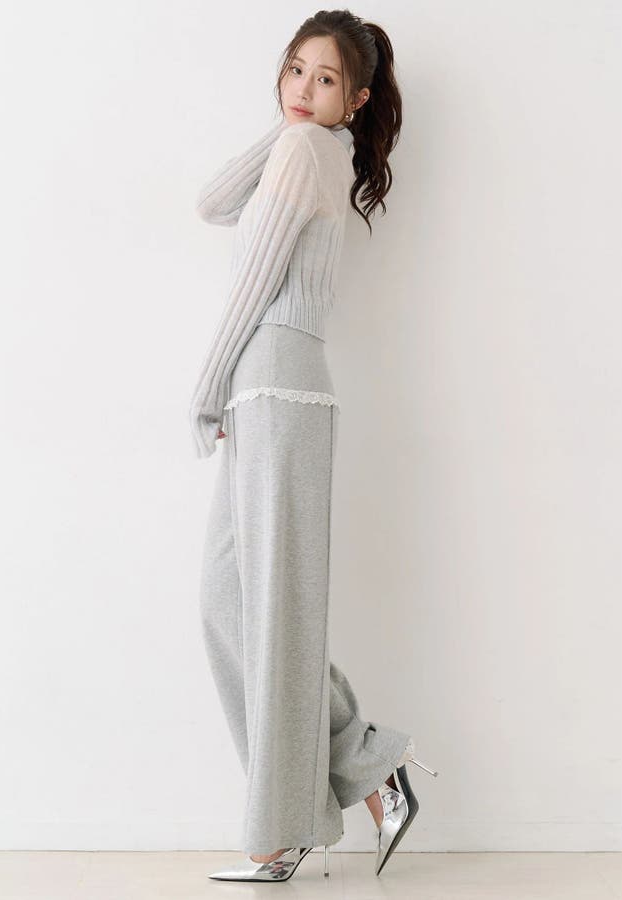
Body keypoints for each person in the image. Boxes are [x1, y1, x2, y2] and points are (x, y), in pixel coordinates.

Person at [189, 10, 437, 883]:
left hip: (278, 383)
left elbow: (254, 283)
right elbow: (214, 201)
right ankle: (371, 767)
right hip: (272, 389)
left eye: (325, 80)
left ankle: (281, 828)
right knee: (234, 604)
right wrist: (299, 121)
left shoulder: (306, 152)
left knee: (273, 613)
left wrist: (206, 387)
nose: (302, 89)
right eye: (295, 70)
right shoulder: (308, 145)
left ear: (357, 99)